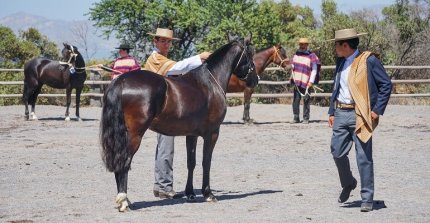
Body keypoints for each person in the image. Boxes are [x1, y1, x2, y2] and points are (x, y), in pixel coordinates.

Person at [327, 28, 392, 212]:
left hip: (360, 114)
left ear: (345, 45)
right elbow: (336, 86)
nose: (335, 48)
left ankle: (367, 198)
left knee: (363, 157)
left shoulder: (369, 60)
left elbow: (386, 85)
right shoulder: (340, 61)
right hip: (340, 113)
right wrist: (332, 110)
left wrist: (377, 110)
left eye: (337, 45)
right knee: (337, 152)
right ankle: (349, 183)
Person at [143, 28, 211, 199]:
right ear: (155, 42)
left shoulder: (161, 59)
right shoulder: (156, 59)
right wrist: (199, 58)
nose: (166, 44)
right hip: (162, 110)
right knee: (166, 146)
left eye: (168, 41)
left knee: (163, 147)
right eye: (163, 41)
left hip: (160, 107)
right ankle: (164, 186)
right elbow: (176, 68)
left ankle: (161, 185)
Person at [290, 38, 321, 124]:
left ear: (307, 45)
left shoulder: (312, 55)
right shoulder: (296, 54)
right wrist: (291, 67)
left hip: (307, 81)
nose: (302, 46)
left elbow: (314, 69)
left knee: (306, 99)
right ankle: (296, 117)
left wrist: (311, 81)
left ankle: (306, 118)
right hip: (297, 80)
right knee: (296, 99)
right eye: (301, 44)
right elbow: (293, 65)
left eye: (304, 44)